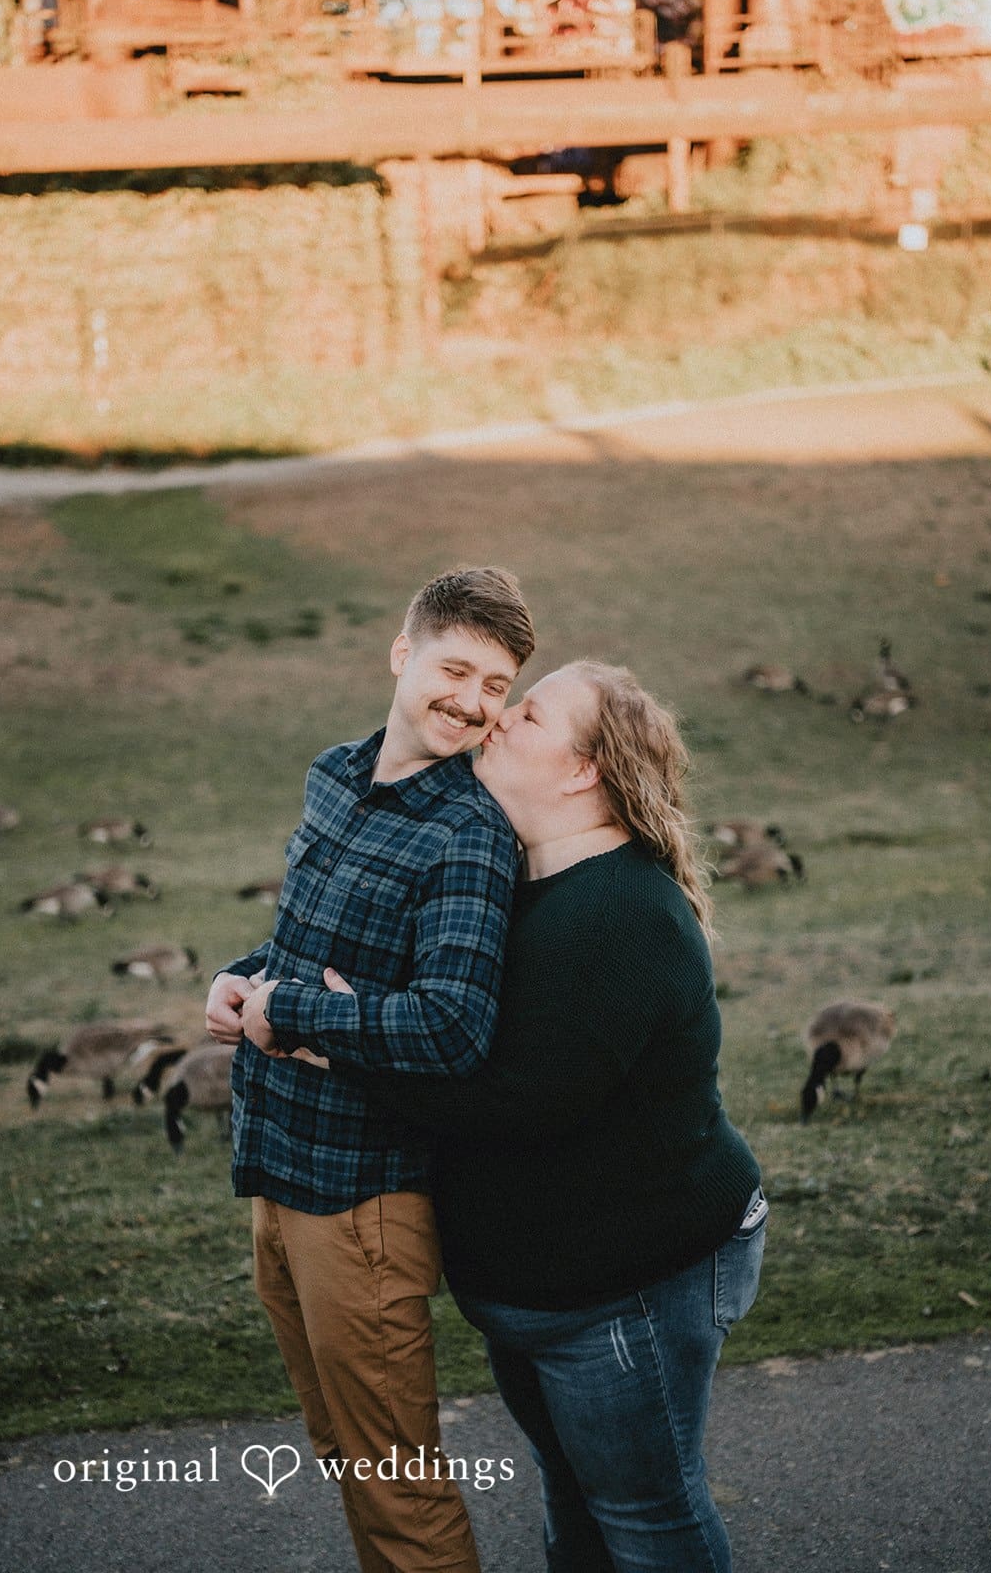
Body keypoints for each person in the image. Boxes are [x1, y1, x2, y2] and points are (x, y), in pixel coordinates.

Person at [317, 659, 765, 1573]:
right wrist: (259, 981)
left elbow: (516, 1102)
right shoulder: (511, 882)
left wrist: (338, 1041)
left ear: (580, 771)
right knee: (577, 1502)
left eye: (527, 713)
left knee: (647, 1518)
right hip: (538, 1291)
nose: (496, 717)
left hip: (628, 1285)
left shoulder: (621, 913)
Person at [205, 567, 535, 1573]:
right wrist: (244, 977)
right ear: (402, 654)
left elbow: (450, 1027)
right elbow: (299, 945)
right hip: (274, 1168)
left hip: (361, 1207)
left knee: (396, 1483)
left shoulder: (468, 834)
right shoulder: (333, 773)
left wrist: (295, 1010)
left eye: (496, 686)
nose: (473, 702)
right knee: (345, 1456)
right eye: (455, 669)